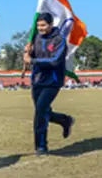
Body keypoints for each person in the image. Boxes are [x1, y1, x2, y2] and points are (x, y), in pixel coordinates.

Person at [23, 12, 75, 155]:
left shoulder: (59, 40)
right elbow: (32, 56)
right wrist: (28, 52)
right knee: (43, 111)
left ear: (51, 24)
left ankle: (41, 146)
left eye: (43, 25)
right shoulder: (36, 38)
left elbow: (54, 61)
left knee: (40, 111)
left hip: (53, 81)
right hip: (37, 80)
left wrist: (32, 61)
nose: (40, 28)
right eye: (38, 25)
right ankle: (65, 120)